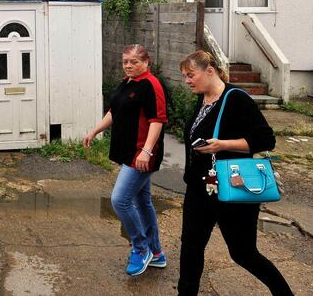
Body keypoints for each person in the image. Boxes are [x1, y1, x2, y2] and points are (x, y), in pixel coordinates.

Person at [177, 50, 293, 295]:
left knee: (243, 253)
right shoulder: (204, 98)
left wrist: (223, 144)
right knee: (191, 247)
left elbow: (266, 140)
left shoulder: (237, 99)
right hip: (199, 189)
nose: (187, 81)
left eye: (190, 75)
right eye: (185, 76)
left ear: (210, 71)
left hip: (233, 188)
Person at [84, 44, 168, 276]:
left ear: (146, 62)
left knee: (120, 200)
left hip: (140, 155)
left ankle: (140, 248)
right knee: (142, 201)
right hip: (128, 151)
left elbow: (157, 120)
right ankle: (156, 253)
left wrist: (147, 151)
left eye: (134, 62)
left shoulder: (151, 85)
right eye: (125, 62)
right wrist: (95, 130)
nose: (129, 66)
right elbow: (114, 111)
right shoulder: (128, 82)